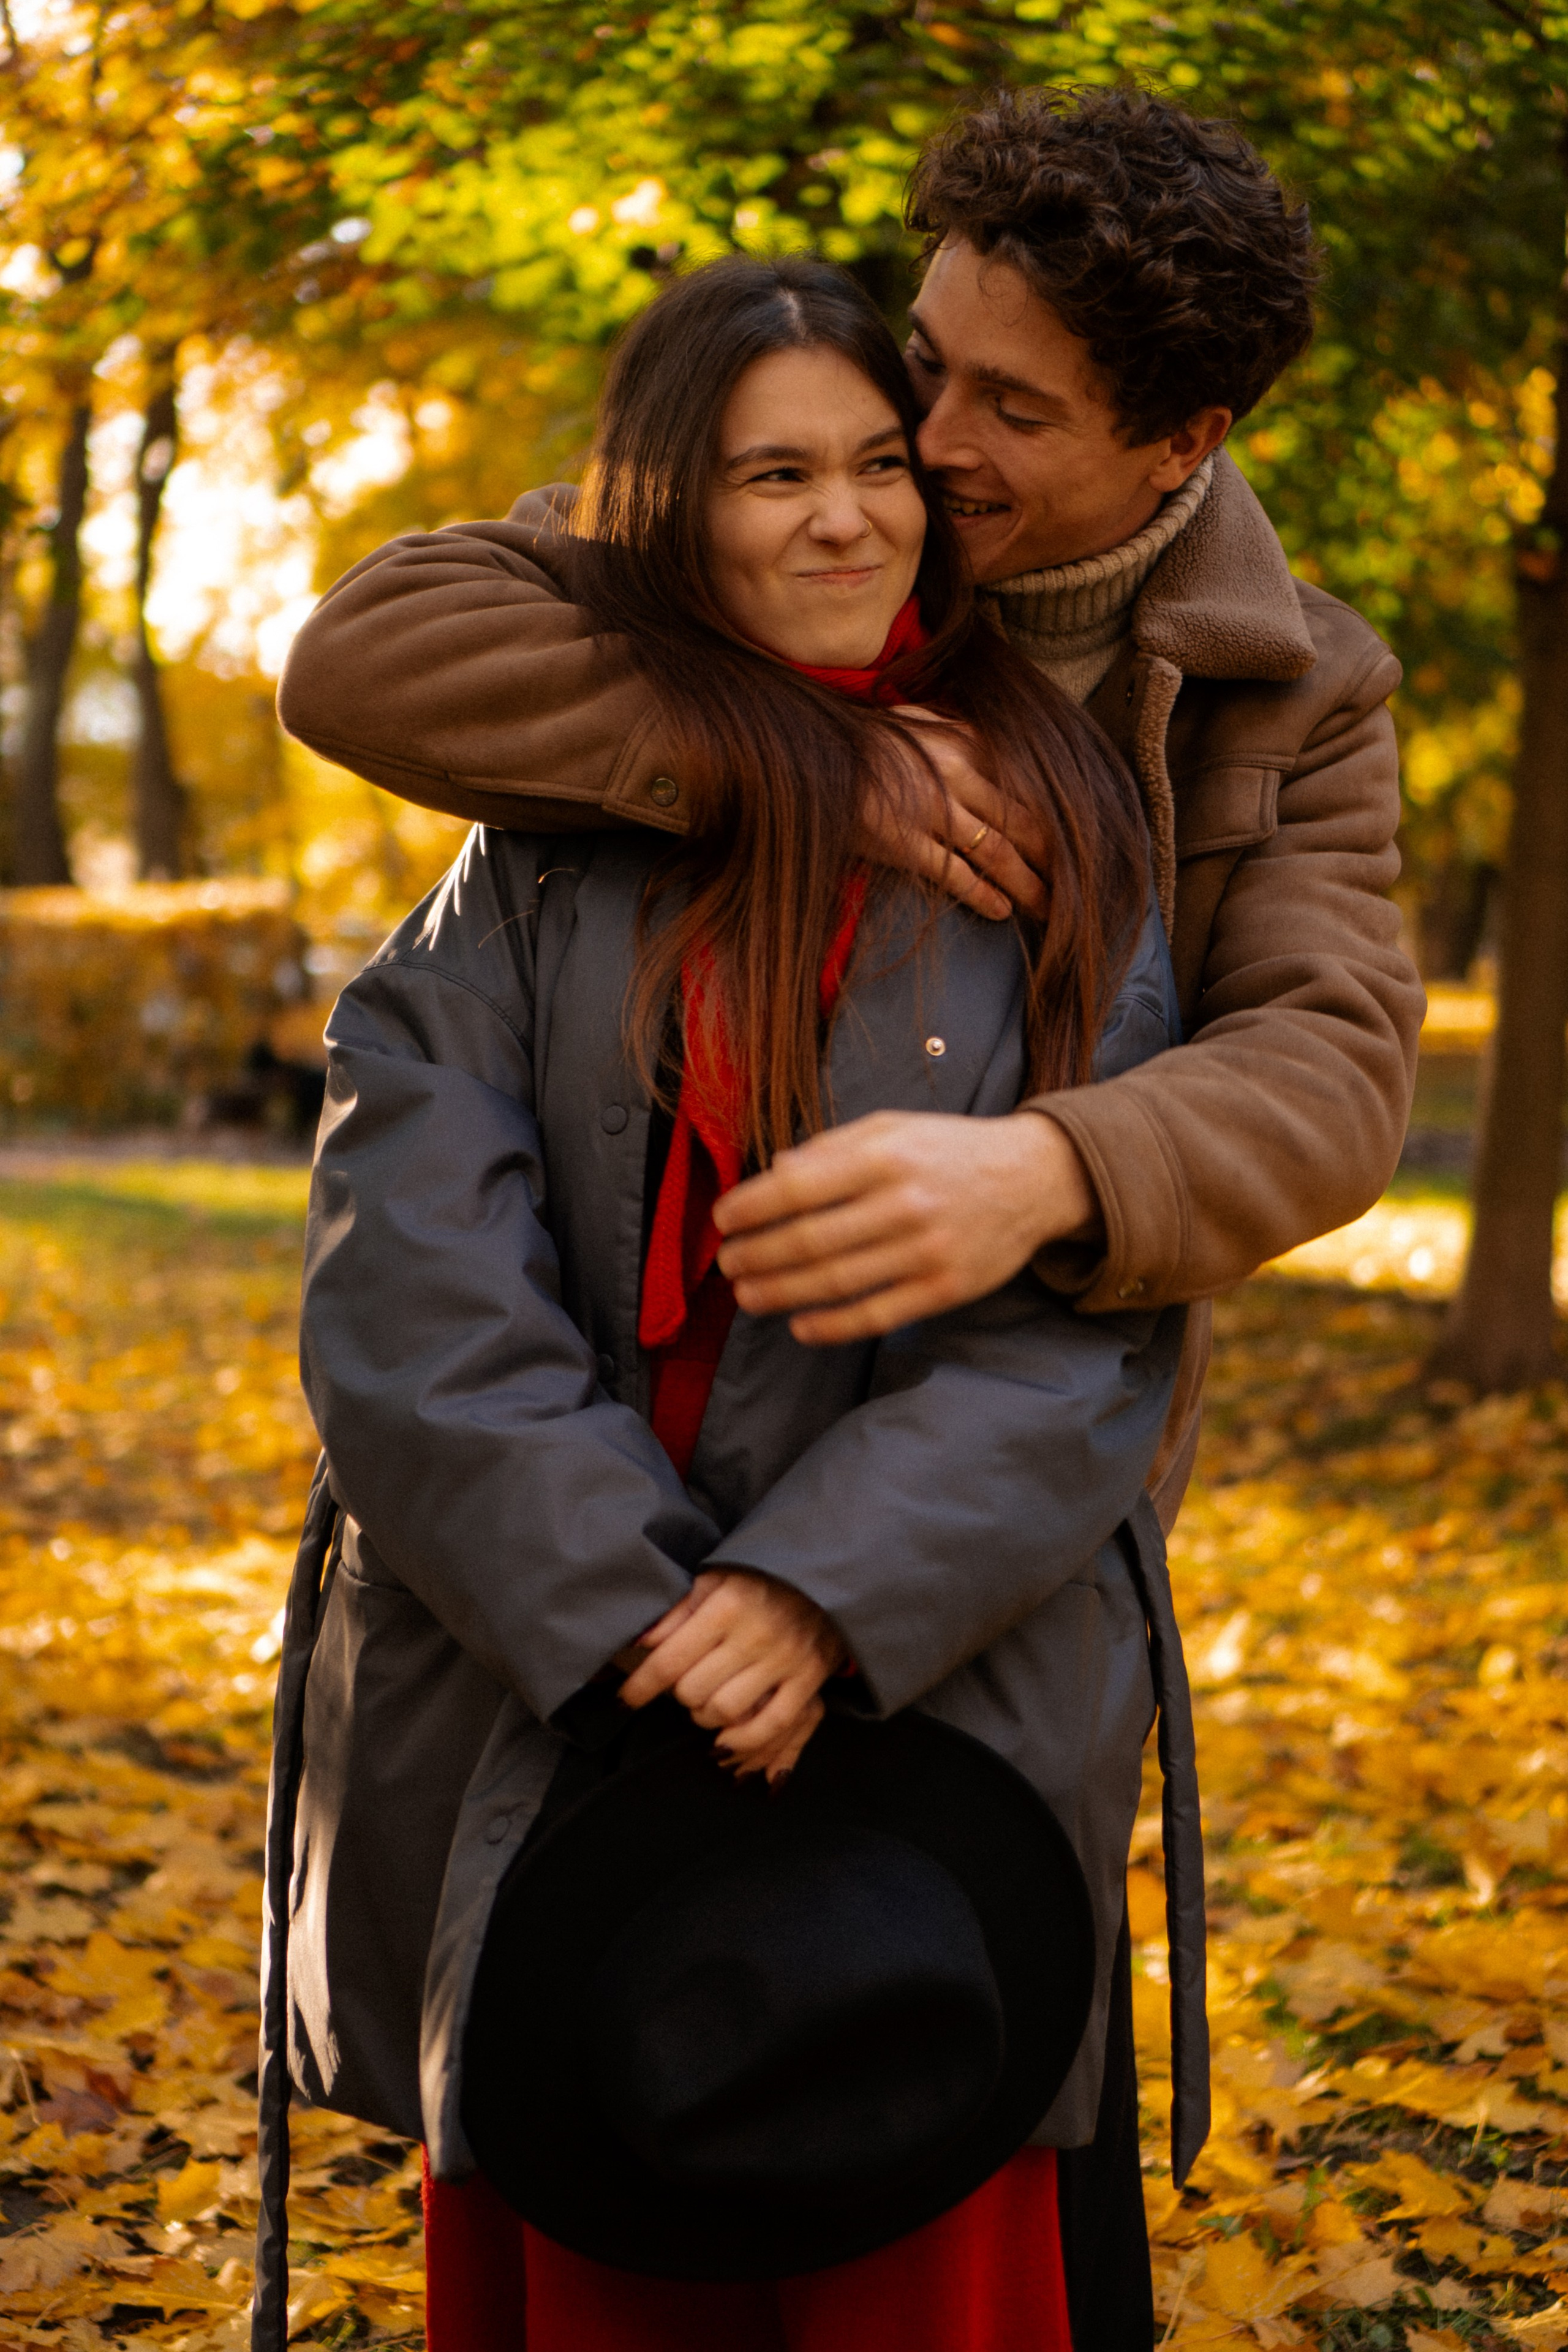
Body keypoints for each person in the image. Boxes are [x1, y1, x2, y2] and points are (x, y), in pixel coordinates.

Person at [257, 255, 1202, 2352]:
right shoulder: (525, 864)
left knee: (911, 2255)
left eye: (880, 464)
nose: (846, 519)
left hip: (928, 1696)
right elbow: (408, 1290)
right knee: (603, 2231)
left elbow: (1093, 1325)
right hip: (559, 1687)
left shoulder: (1061, 842)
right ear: (671, 510)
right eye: (775, 475)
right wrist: (629, 1620)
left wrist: (814, 1599)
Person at [277, 85, 1425, 1539]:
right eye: (928, 363)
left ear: (1178, 443)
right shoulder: (802, 524)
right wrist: (810, 762)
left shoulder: (1297, 691)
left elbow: (1329, 1068)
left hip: (979, 1481)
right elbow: (367, 655)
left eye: (1013, 410)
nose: (925, 442)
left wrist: (1048, 1171)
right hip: (607, 1415)